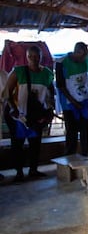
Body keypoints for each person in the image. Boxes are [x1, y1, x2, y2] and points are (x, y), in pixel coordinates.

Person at [3, 45, 54, 182]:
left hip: (36, 115)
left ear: (41, 57)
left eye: (37, 56)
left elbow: (50, 93)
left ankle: (33, 170)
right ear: (27, 57)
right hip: (18, 115)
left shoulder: (47, 73)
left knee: (35, 143)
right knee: (17, 144)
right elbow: (7, 93)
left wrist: (49, 111)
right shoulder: (18, 72)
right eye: (31, 56)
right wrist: (13, 109)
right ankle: (19, 172)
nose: (34, 59)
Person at [55, 42, 88, 156]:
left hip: (83, 101)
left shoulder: (85, 62)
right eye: (83, 55)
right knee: (71, 132)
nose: (84, 58)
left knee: (85, 131)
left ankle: (86, 156)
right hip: (68, 103)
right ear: (77, 52)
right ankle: (70, 159)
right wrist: (74, 102)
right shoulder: (61, 62)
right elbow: (61, 86)